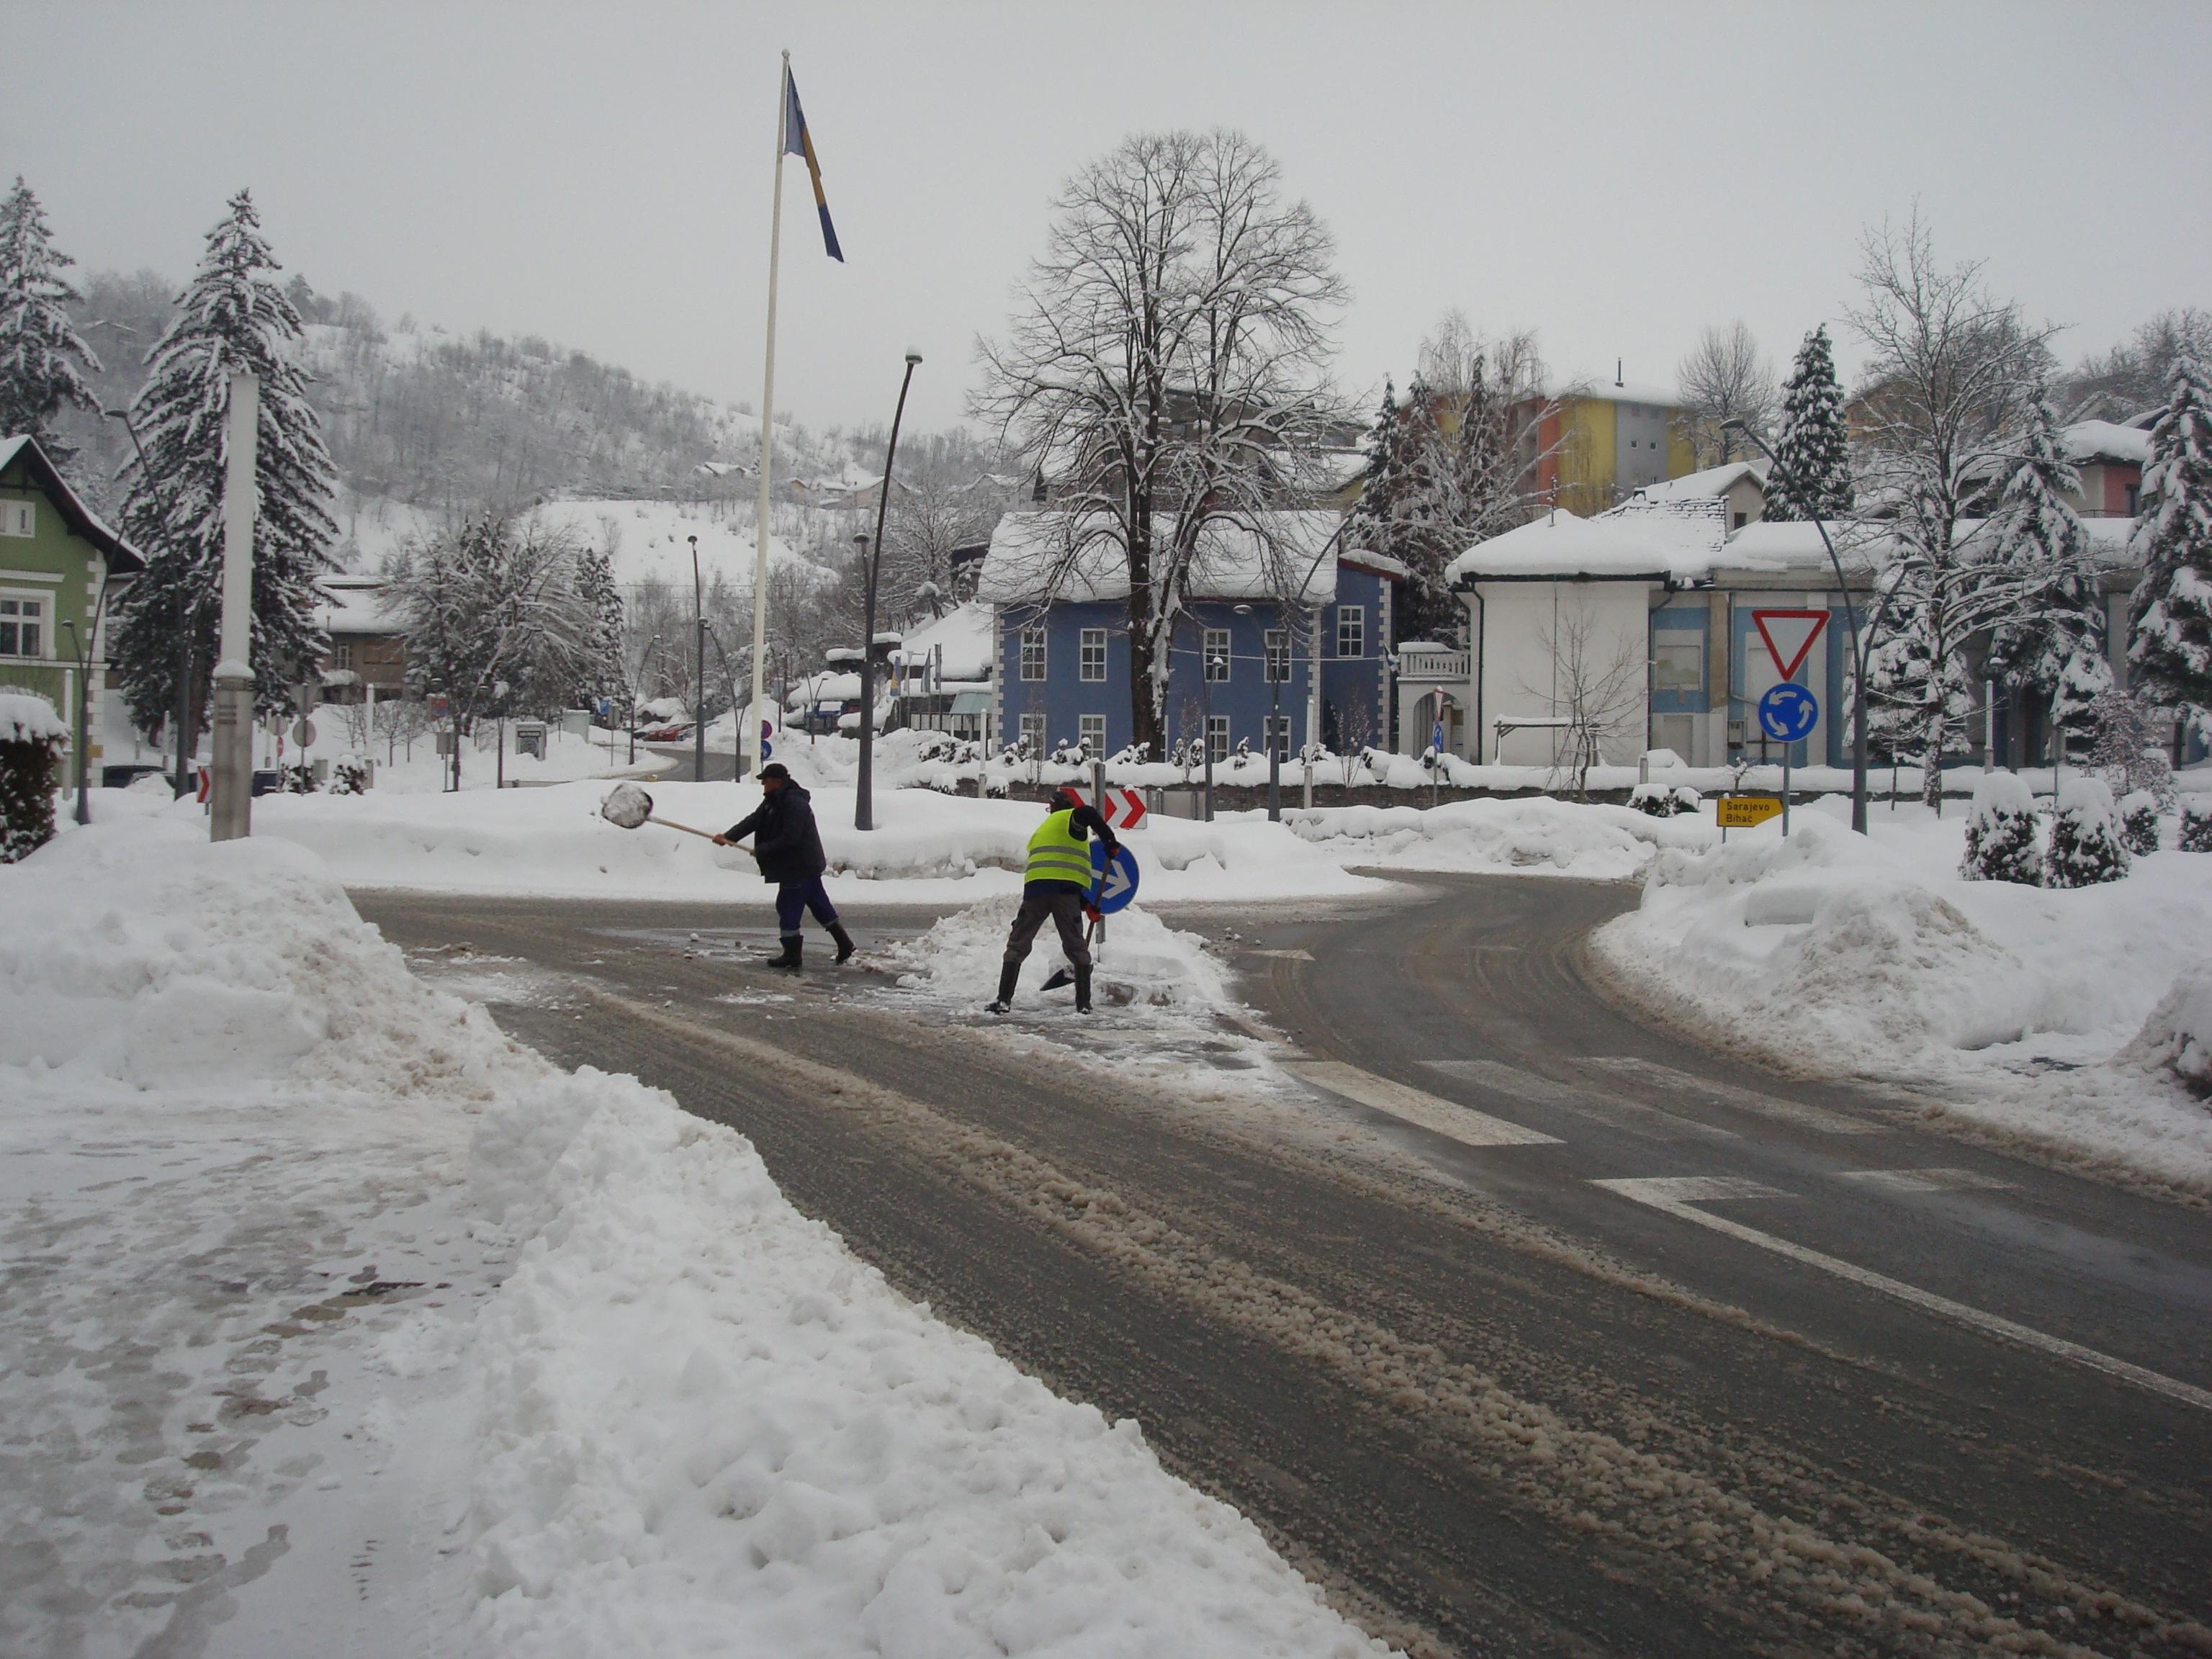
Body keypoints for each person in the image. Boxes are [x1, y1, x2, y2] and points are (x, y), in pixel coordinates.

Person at [989, 784, 1118, 1015]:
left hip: (1036, 892)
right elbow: (1087, 814)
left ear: (1052, 807)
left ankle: (1003, 1000)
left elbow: (1056, 866)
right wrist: (1109, 840)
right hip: (1064, 893)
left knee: (1018, 944)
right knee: (1076, 946)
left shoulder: (1042, 830)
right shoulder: (1071, 818)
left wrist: (1087, 906)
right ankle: (1084, 1005)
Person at [716, 763, 854, 970]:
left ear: (778, 781)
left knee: (788, 907)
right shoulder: (773, 801)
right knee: (819, 905)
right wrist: (728, 837)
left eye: (766, 780)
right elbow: (754, 821)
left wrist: (763, 850)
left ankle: (792, 954)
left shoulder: (795, 804)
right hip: (800, 866)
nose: (763, 784)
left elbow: (791, 838)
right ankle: (845, 944)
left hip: (798, 866)